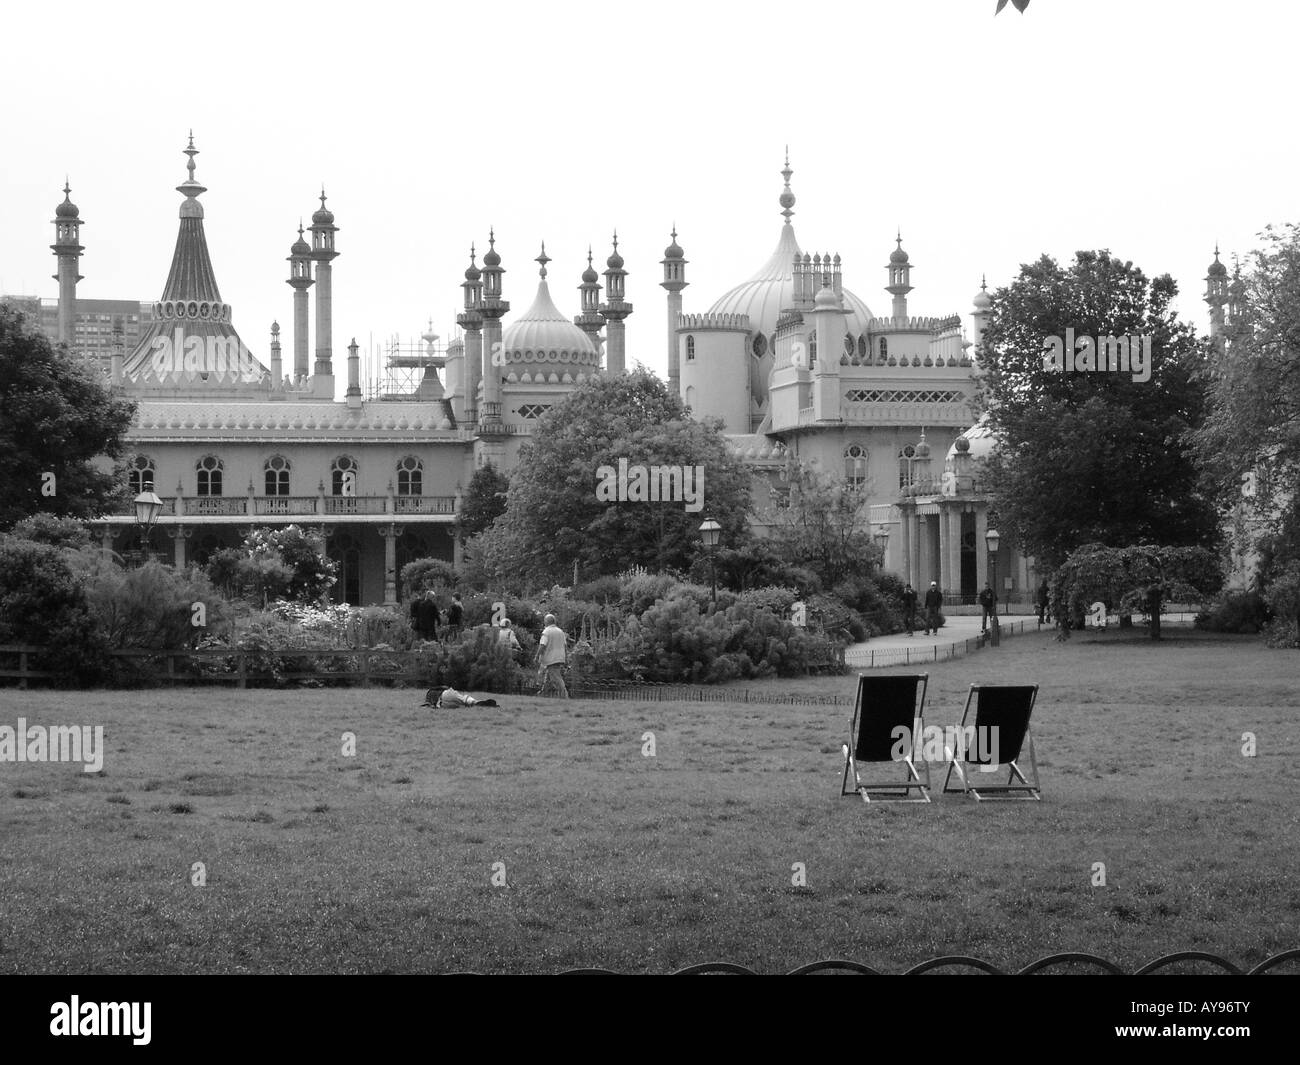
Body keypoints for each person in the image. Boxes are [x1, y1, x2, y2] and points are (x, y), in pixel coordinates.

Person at [536, 613, 568, 698]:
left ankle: (564, 696)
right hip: (560, 657)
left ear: (546, 622)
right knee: (548, 677)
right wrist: (566, 658)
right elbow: (565, 646)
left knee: (556, 678)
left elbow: (542, 645)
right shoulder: (560, 631)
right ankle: (543, 694)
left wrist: (536, 656)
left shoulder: (546, 631)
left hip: (551, 658)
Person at [422, 686, 498, 708]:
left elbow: (427, 704)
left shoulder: (429, 695)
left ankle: (475, 704)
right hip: (446, 694)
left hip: (444, 705)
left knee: (463, 705)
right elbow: (445, 687)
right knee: (464, 699)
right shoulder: (433, 690)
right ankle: (476, 702)